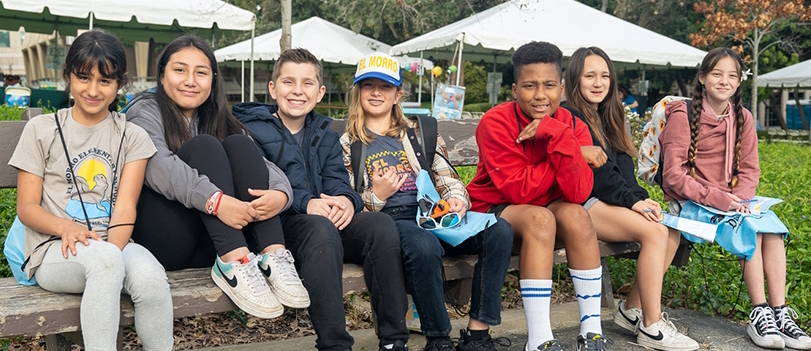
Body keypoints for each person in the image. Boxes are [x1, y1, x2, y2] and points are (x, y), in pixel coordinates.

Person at [235, 48, 410, 351]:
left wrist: (346, 201)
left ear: (320, 92)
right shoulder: (252, 130)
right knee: (321, 229)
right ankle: (335, 345)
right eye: (289, 82)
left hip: (323, 228)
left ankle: (395, 342)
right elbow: (258, 185)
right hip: (277, 229)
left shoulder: (326, 135)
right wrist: (306, 203)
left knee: (379, 226)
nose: (298, 91)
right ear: (273, 89)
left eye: (307, 84)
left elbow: (338, 182)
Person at [125, 35, 308, 320]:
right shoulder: (145, 110)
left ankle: (273, 254)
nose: (190, 80)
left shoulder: (219, 117)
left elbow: (261, 164)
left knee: (240, 144)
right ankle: (234, 262)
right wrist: (215, 201)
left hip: (211, 243)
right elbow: (157, 165)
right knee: (205, 147)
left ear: (213, 80)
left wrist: (281, 194)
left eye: (201, 73)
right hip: (165, 241)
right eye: (179, 70)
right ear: (162, 76)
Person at [9, 30, 171, 350]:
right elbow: (26, 207)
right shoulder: (42, 130)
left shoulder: (132, 136)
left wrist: (113, 249)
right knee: (104, 261)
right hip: (54, 250)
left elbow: (125, 207)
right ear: (68, 76)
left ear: (120, 84)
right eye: (83, 78)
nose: (93, 90)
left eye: (105, 81)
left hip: (113, 243)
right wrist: (65, 226)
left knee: (152, 279)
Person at [341, 52, 514, 351]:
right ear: (358, 93)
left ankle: (478, 333)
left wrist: (457, 201)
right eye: (368, 86)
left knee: (499, 230)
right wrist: (377, 195)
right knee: (423, 246)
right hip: (393, 220)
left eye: (384, 86)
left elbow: (448, 179)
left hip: (436, 215)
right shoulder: (348, 143)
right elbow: (348, 201)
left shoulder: (420, 134)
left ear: (398, 94)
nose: (376, 92)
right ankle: (438, 338)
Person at [659, 47, 811, 351]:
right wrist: (722, 200)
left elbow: (750, 169)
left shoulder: (742, 117)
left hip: (731, 202)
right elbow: (673, 178)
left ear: (739, 82)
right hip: (692, 203)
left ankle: (780, 312)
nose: (724, 80)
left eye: (732, 75)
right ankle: (759, 313)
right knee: (749, 228)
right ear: (702, 78)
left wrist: (740, 199)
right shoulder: (682, 115)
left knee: (773, 228)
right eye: (716, 73)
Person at [466, 41, 610, 351]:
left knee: (578, 215)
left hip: (543, 211)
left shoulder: (572, 125)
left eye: (548, 86)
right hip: (493, 212)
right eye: (530, 86)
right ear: (515, 89)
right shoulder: (496, 122)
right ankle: (540, 339)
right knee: (540, 219)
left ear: (561, 88)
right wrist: (572, 151)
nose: (540, 95)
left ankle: (591, 330)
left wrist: (557, 135)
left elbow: (579, 192)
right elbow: (519, 189)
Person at [561, 47, 699, 351]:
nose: (598, 83)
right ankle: (651, 326)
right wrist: (633, 203)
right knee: (654, 230)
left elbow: (623, 172)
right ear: (574, 79)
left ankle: (630, 309)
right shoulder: (568, 115)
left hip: (606, 201)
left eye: (604, 76)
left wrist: (641, 199)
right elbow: (599, 176)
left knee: (668, 227)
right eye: (590, 76)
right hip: (579, 203)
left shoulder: (610, 115)